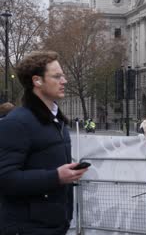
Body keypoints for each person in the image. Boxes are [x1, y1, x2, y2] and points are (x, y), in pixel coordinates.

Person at [0, 51, 88, 234]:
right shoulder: (17, 123)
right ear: (37, 81)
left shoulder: (57, 120)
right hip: (26, 227)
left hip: (55, 225)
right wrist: (56, 177)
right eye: (57, 76)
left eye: (63, 75)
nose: (64, 81)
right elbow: (5, 179)